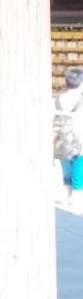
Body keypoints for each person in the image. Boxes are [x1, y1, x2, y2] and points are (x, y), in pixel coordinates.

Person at [57, 67, 83, 207]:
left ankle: (65, 206)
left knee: (66, 180)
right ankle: (75, 210)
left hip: (60, 146)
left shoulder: (54, 102)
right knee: (78, 185)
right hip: (80, 148)